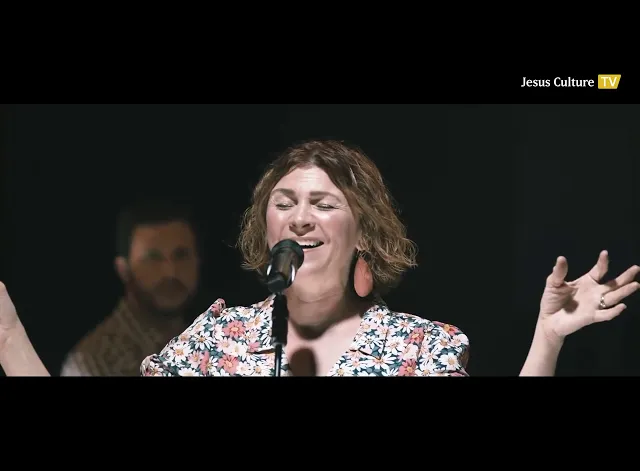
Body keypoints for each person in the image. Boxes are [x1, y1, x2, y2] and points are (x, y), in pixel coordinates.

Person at [0, 139, 638, 376]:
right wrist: (7, 335)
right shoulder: (217, 339)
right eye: (284, 203)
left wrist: (546, 339)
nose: (300, 217)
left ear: (363, 234)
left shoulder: (422, 348)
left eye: (324, 204)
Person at [59, 199, 201, 376]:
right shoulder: (90, 364)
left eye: (181, 255)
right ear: (124, 269)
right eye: (152, 258)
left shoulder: (210, 336)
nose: (170, 272)